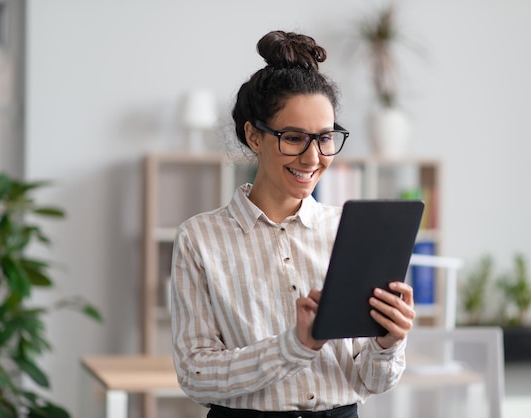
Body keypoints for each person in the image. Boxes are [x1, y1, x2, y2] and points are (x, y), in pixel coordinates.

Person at [171, 30, 416, 418]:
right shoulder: (199, 239)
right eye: (293, 138)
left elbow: (371, 380)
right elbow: (196, 375)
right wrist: (294, 346)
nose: (312, 157)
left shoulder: (346, 232)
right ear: (254, 135)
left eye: (324, 138)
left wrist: (389, 343)